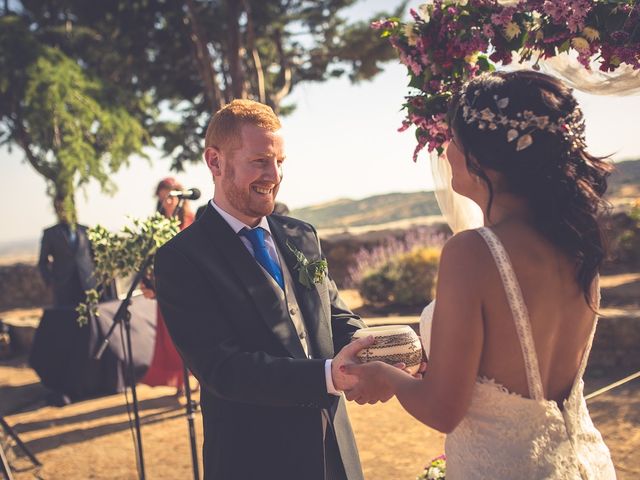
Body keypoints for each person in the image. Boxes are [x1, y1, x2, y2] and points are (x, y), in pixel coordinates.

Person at [341, 70, 617, 479]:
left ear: (480, 157)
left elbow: (442, 410)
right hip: (583, 463)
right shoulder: (577, 243)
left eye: (452, 139)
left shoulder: (473, 252)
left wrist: (388, 376)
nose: (446, 151)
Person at [154, 99, 368, 480]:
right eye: (260, 162)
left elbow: (334, 317)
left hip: (333, 450)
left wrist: (381, 350)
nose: (275, 174)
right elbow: (223, 369)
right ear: (215, 162)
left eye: (280, 161)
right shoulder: (182, 259)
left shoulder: (301, 235)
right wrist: (328, 377)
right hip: (255, 459)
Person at [139, 177, 195, 395]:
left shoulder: (192, 220)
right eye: (163, 198)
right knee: (172, 340)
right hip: (166, 291)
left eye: (170, 197)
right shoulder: (155, 225)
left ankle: (199, 381)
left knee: (194, 337)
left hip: (191, 291)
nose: (167, 202)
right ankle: (181, 384)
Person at [38, 199, 97, 307]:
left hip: (87, 284)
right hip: (63, 287)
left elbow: (95, 256)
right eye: (59, 208)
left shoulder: (85, 230)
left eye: (66, 208)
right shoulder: (50, 233)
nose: (63, 211)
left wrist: (96, 277)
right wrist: (51, 282)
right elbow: (42, 262)